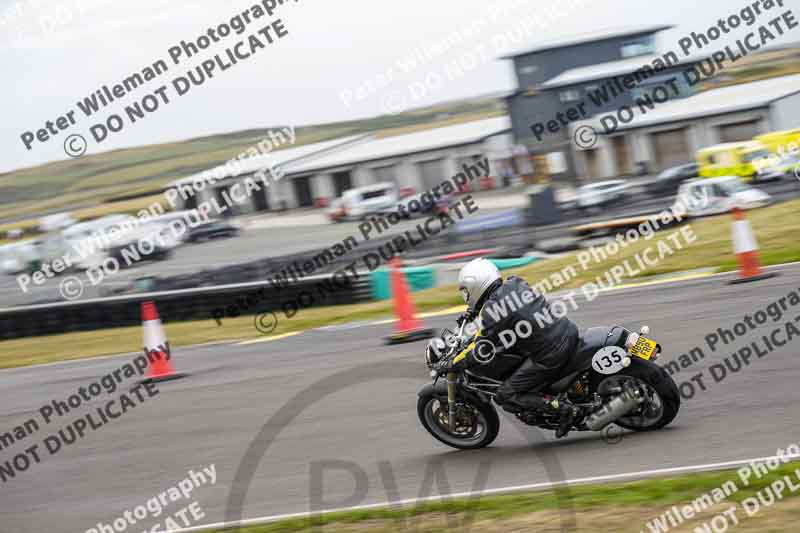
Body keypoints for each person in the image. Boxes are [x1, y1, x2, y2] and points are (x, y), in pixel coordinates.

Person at [455, 257, 582, 438]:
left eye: (466, 291)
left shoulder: (492, 313)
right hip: (566, 331)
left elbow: (481, 348)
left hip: (551, 354)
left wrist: (455, 362)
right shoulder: (515, 282)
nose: (466, 296)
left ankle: (565, 410)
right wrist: (473, 313)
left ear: (476, 285)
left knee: (505, 395)